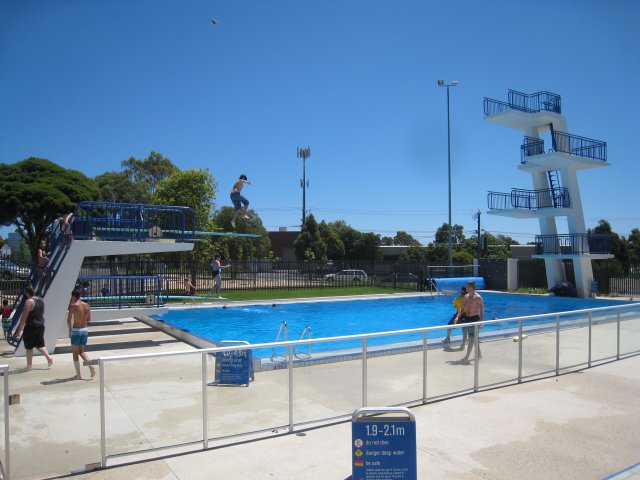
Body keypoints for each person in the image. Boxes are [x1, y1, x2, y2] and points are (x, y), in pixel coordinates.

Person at [12, 286, 54, 370]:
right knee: (39, 344)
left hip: (31, 326)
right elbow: (42, 313)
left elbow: (23, 317)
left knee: (29, 346)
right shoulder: (41, 300)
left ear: (27, 293)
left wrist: (19, 330)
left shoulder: (29, 301)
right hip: (40, 325)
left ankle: (29, 365)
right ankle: (49, 358)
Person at [67, 289, 96, 379]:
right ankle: (91, 366)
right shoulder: (86, 305)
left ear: (73, 296)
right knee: (82, 351)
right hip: (84, 330)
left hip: (76, 331)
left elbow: (68, 320)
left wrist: (70, 330)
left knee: (75, 354)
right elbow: (89, 319)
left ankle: (78, 375)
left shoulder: (73, 306)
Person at [453, 281, 485, 362]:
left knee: (471, 338)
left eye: (467, 287)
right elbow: (462, 309)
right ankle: (479, 353)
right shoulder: (466, 296)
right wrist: (457, 317)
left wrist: (481, 322)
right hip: (467, 319)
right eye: (466, 287)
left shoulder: (478, 297)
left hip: (475, 319)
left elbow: (481, 310)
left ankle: (467, 357)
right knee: (473, 338)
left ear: (472, 287)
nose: (466, 288)